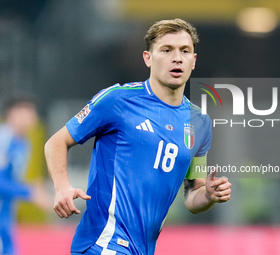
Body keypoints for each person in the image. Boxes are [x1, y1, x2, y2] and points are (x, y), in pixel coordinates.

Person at [45, 18, 232, 255]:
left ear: (193, 61)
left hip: (142, 249)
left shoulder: (200, 123)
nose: (177, 58)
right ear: (148, 58)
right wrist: (62, 187)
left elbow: (192, 196)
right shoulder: (118, 100)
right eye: (167, 50)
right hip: (104, 242)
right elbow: (57, 142)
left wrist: (209, 194)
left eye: (185, 51)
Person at [0, 96, 50, 255]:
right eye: (24, 113)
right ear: (11, 114)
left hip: (5, 212)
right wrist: (31, 193)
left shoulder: (24, 143)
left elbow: (11, 180)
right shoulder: (3, 139)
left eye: (32, 114)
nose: (29, 118)